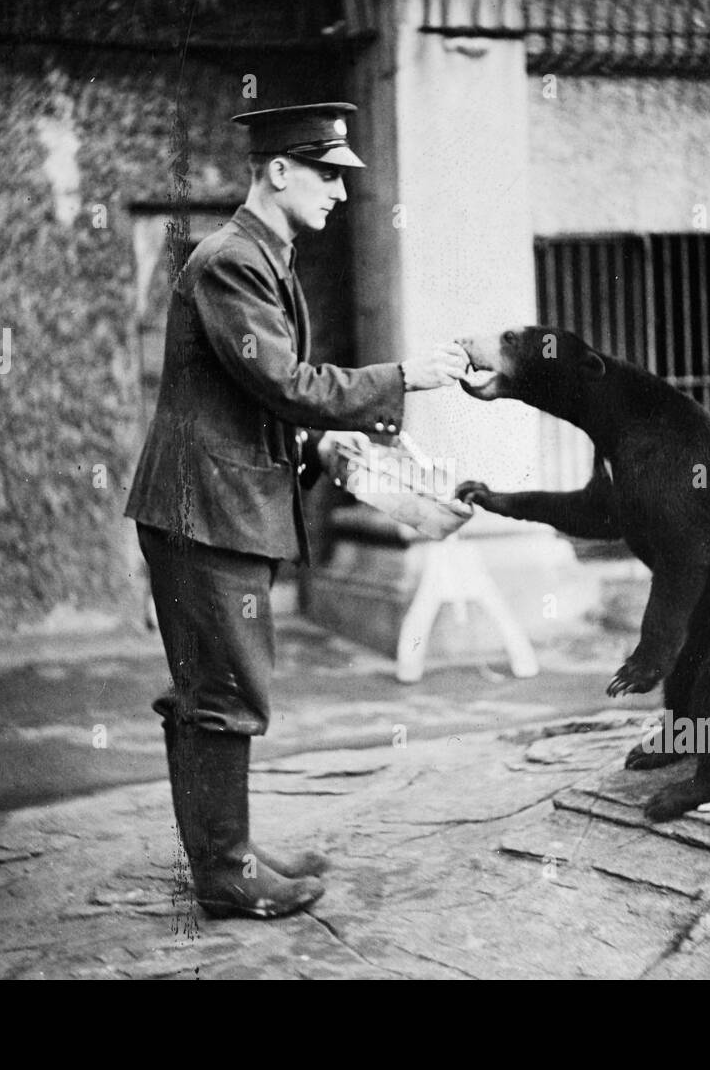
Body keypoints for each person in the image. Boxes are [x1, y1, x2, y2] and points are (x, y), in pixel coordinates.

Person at [125, 102, 469, 919]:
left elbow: (254, 400)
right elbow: (283, 383)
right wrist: (401, 377)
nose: (341, 193)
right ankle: (226, 870)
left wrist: (317, 451)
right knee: (225, 689)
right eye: (328, 173)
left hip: (214, 504)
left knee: (217, 685)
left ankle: (224, 851)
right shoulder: (231, 261)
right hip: (202, 508)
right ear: (278, 171)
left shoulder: (263, 259)